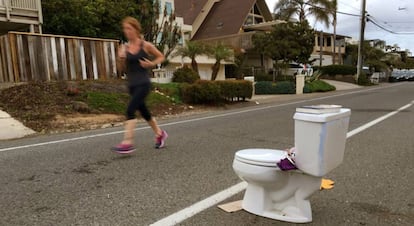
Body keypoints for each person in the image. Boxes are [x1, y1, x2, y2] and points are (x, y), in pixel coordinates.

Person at [112, 17, 168, 153]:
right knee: (144, 112)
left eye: (129, 28)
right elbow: (121, 69)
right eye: (125, 29)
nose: (127, 31)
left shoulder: (145, 45)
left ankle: (127, 142)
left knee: (130, 110)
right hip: (132, 84)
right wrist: (120, 58)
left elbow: (161, 56)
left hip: (143, 83)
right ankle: (160, 134)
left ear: (136, 29)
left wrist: (151, 64)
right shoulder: (124, 47)